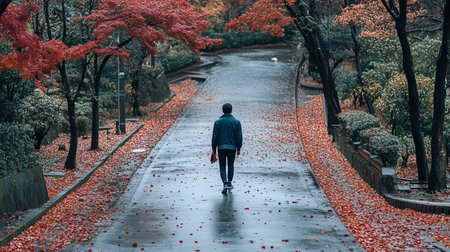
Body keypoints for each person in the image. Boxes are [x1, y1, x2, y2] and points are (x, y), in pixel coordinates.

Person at [211, 103, 242, 193]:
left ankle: (224, 182)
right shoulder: (236, 122)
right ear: (231, 110)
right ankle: (229, 182)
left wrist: (214, 149)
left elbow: (214, 137)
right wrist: (239, 148)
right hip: (232, 147)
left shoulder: (218, 122)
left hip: (221, 147)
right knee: (231, 165)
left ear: (222, 110)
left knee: (222, 165)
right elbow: (239, 137)